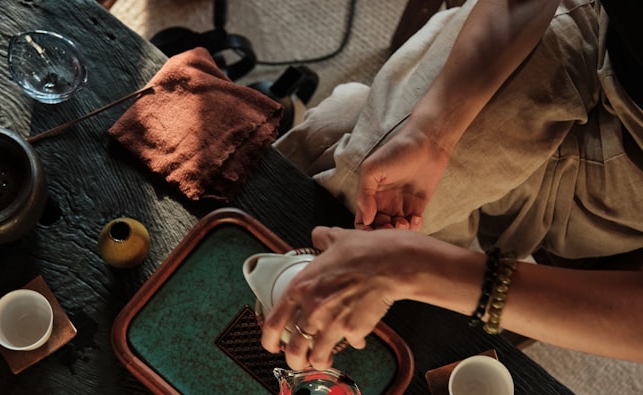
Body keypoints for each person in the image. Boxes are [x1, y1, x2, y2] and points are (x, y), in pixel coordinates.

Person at [260, 0, 643, 370]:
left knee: (343, 141)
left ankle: (341, 113)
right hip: (592, 33)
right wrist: (431, 134)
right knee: (353, 195)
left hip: (628, 195)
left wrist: (417, 267)